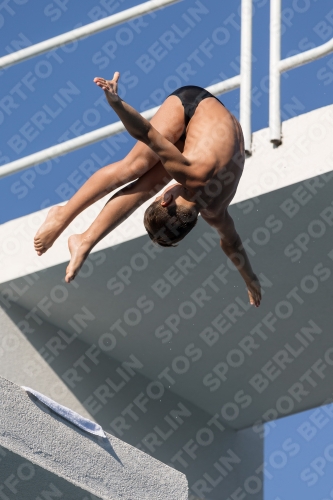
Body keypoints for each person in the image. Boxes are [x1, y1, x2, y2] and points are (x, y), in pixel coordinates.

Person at [34, 72, 261, 307]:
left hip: (207, 132)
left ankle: (85, 240)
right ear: (165, 200)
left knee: (145, 184)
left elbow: (232, 244)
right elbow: (146, 132)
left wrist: (250, 278)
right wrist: (116, 103)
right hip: (192, 105)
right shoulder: (188, 173)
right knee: (134, 166)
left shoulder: (217, 211)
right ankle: (62, 215)